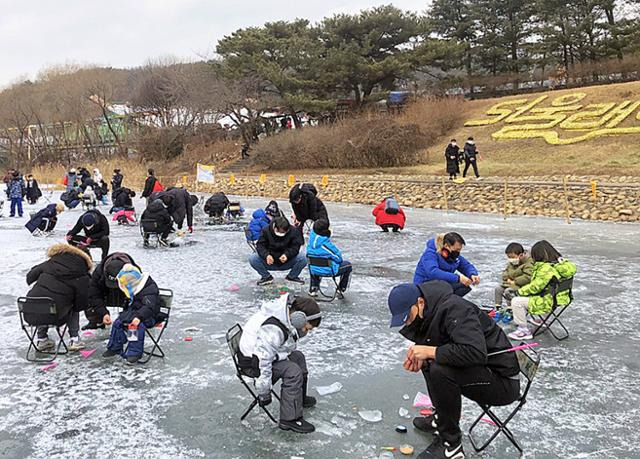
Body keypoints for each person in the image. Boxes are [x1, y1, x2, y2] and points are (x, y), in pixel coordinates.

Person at [388, 281, 520, 459]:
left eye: (408, 317)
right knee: (429, 361)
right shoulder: (432, 311)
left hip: (503, 382)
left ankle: (451, 445)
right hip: (484, 370)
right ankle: (441, 419)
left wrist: (430, 350)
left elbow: (475, 353)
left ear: (420, 302)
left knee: (440, 369)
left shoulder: (455, 309)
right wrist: (422, 354)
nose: (408, 323)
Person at [238, 294, 321, 433]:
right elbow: (262, 359)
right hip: (253, 364)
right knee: (292, 371)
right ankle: (289, 419)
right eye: (307, 328)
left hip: (264, 355)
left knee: (298, 357)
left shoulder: (285, 315)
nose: (306, 332)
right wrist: (263, 390)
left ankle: (298, 399)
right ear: (299, 319)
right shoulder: (273, 328)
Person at [26, 243, 92, 352]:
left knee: (43, 302)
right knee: (73, 307)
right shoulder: (81, 273)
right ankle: (74, 339)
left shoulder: (50, 263)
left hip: (29, 310)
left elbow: (29, 277)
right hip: (56, 316)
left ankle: (42, 338)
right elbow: (81, 303)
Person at [508, 240, 577, 340]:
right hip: (562, 297)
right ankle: (545, 319)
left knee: (516, 301)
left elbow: (536, 287)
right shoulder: (562, 265)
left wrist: (519, 292)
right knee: (548, 291)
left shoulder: (546, 268)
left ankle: (523, 330)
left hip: (548, 301)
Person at [102, 264, 160, 364]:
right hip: (134, 312)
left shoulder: (149, 289)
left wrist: (139, 317)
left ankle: (135, 352)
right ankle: (115, 347)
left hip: (150, 316)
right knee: (118, 322)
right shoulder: (134, 289)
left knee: (134, 326)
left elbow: (149, 307)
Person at [83, 252, 139, 330]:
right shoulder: (99, 272)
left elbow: (140, 297)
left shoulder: (134, 272)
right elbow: (94, 295)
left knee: (137, 302)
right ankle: (96, 321)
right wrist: (103, 313)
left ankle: (128, 322)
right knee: (86, 295)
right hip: (106, 296)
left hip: (125, 297)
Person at [413, 232, 480, 297]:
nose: (458, 252)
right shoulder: (430, 254)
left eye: (459, 250)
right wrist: (458, 278)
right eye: (456, 250)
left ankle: (447, 303)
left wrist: (472, 274)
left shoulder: (453, 256)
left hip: (441, 285)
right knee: (457, 284)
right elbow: (433, 272)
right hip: (424, 287)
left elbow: (466, 266)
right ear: (446, 246)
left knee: (465, 286)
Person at [251, 216, 306, 285]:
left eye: (284, 232)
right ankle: (266, 277)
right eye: (280, 231)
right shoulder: (266, 230)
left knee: (303, 258)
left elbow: (295, 247)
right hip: (269, 261)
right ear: (275, 228)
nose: (282, 233)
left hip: (287, 261)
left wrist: (287, 255)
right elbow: (260, 246)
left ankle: (292, 276)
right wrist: (266, 255)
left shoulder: (293, 231)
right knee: (253, 258)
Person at [306, 219, 352, 297]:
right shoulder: (326, 245)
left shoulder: (310, 242)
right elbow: (339, 258)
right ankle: (341, 289)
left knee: (314, 264)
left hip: (313, 270)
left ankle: (313, 288)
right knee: (348, 266)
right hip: (329, 270)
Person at [494, 242, 533, 309]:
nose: (510, 259)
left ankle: (511, 308)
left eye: (512, 257)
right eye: (509, 257)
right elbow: (505, 272)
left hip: (522, 286)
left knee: (508, 291)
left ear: (520, 255)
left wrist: (515, 281)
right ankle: (498, 308)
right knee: (498, 289)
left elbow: (528, 277)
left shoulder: (528, 263)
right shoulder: (511, 263)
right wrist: (506, 278)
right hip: (509, 283)